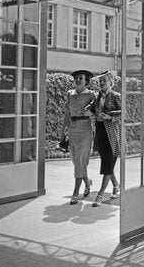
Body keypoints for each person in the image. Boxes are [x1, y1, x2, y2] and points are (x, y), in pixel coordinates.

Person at [60, 69, 96, 205]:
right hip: (72, 129)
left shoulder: (92, 95)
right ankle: (87, 182)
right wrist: (62, 132)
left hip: (85, 130)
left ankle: (76, 193)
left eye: (81, 78)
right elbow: (67, 115)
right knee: (76, 161)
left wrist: (91, 114)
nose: (78, 80)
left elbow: (97, 112)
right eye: (76, 78)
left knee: (81, 160)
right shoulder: (70, 94)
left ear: (86, 80)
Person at [88, 70, 122, 207]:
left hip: (111, 133)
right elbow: (91, 109)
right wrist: (86, 112)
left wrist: (110, 116)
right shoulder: (97, 97)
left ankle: (100, 194)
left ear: (111, 82)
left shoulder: (116, 96)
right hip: (100, 132)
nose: (101, 83)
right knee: (107, 162)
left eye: (104, 81)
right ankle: (116, 186)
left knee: (107, 163)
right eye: (100, 81)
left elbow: (123, 112)